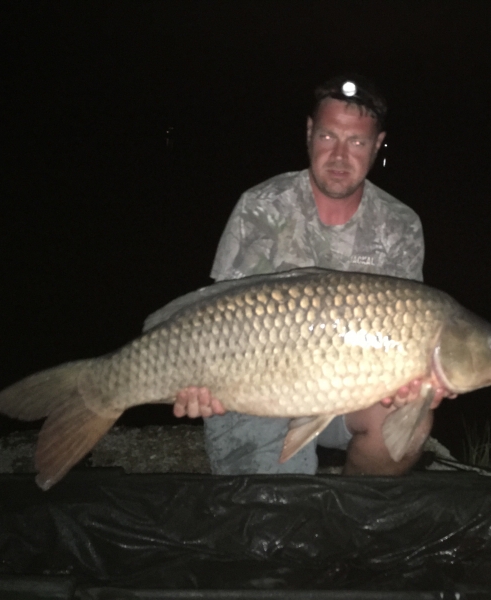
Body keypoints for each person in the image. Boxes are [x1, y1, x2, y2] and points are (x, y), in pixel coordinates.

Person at [172, 74, 452, 476]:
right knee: (280, 520)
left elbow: (406, 337)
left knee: (408, 422)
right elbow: (218, 320)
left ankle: (351, 514)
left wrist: (414, 385)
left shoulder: (399, 224)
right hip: (253, 390)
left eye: (356, 142)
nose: (340, 156)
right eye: (327, 137)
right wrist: (201, 381)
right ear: (308, 133)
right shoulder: (262, 207)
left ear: (377, 145)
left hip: (345, 393)